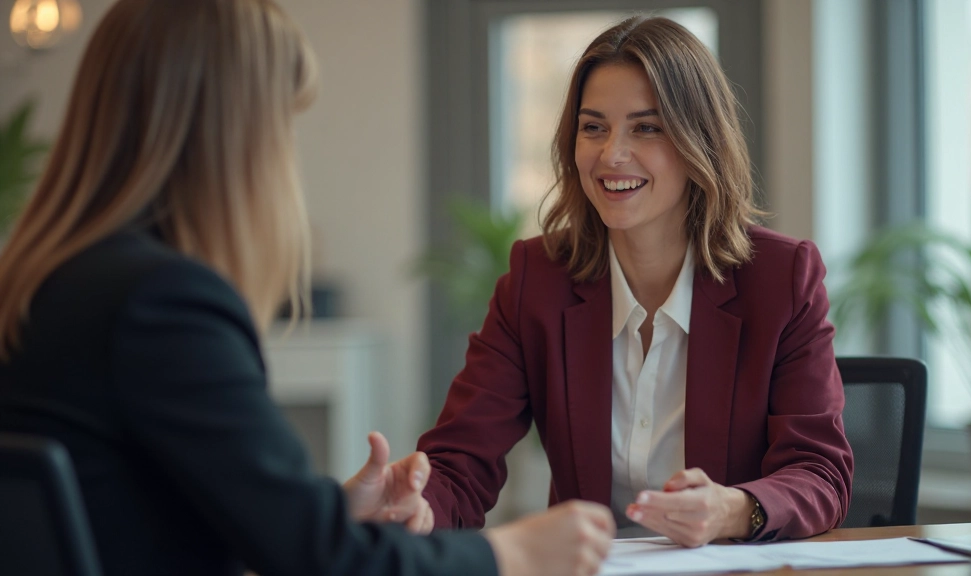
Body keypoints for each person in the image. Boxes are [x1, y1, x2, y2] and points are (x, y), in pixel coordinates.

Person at [0, 1, 614, 575]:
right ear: (232, 133)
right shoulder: (163, 303)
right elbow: (318, 560)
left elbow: (155, 509)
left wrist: (330, 512)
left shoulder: (48, 282)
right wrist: (510, 552)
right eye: (282, 122)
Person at [418, 15, 854, 547]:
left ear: (700, 143)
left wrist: (733, 510)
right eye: (593, 127)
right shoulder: (538, 280)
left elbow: (820, 474)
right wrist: (411, 507)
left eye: (646, 128)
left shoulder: (780, 280)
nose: (611, 154)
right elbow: (459, 464)